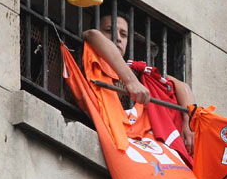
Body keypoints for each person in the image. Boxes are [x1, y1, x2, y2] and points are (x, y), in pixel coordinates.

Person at [82, 14, 196, 155]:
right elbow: (91, 35)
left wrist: (189, 121)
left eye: (123, 34)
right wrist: (131, 82)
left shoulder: (136, 70)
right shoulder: (87, 57)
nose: (117, 38)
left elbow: (181, 86)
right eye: (109, 30)